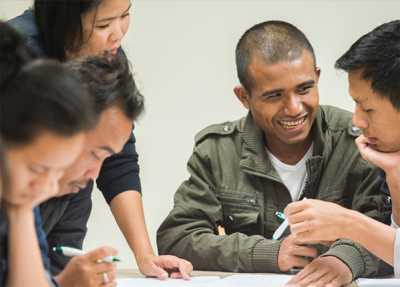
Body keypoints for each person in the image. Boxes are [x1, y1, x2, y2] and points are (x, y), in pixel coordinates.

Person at [157, 20, 392, 287]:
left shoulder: (362, 142)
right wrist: (267, 254)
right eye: (274, 95)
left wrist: (347, 258)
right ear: (244, 96)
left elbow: (390, 232)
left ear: (317, 76)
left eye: (304, 88)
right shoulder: (217, 151)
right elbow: (177, 238)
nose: (293, 108)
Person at [8, 0, 191, 279]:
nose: (118, 33)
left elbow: (118, 157)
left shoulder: (108, 55)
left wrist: (145, 254)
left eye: (126, 14)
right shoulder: (15, 59)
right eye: (103, 24)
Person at [39, 54, 192, 287]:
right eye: (94, 153)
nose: (95, 174)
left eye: (107, 158)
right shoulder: (18, 191)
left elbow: (51, 270)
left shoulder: (74, 188)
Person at [284, 20, 400, 282]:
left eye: (367, 108)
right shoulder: (389, 159)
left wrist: (349, 224)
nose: (357, 121)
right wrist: (393, 174)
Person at [0, 21, 95, 287]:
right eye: (38, 169)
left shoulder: (20, 198)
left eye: (59, 170)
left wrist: (21, 212)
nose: (49, 187)